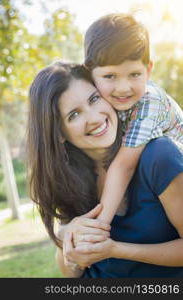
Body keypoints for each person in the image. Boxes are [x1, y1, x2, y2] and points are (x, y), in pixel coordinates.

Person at [27, 61, 183, 278]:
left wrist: (115, 249)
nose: (94, 117)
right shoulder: (69, 177)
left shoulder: (159, 156)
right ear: (59, 133)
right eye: (74, 115)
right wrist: (69, 241)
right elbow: (71, 274)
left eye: (94, 99)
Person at [83, 13, 183, 224]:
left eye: (134, 75)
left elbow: (123, 166)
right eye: (110, 76)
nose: (123, 88)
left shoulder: (150, 102)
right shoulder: (100, 102)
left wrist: (101, 224)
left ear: (148, 70)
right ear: (90, 74)